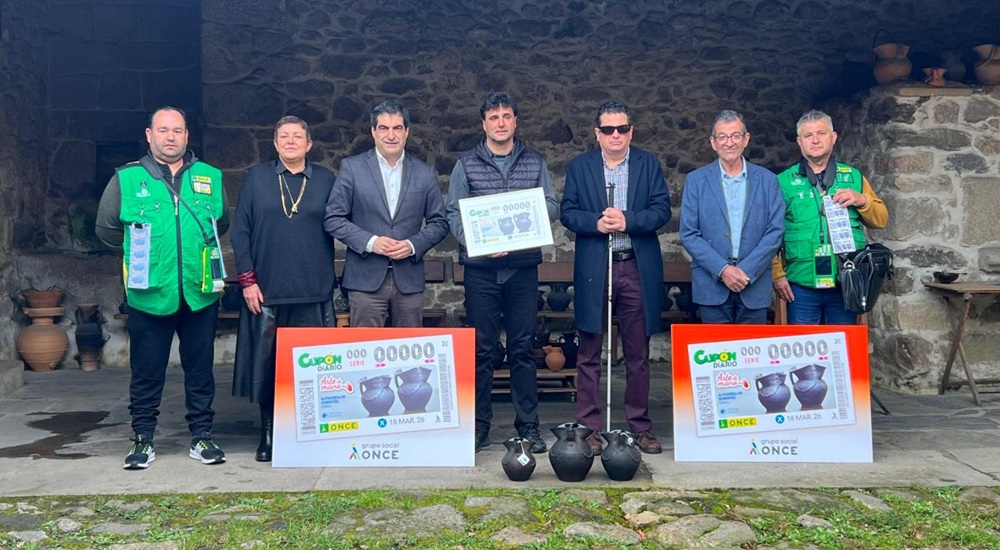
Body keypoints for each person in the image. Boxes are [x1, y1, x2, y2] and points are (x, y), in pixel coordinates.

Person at [96, 106, 229, 470]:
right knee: (146, 372)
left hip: (199, 291)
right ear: (149, 135)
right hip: (149, 292)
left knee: (200, 370)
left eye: (178, 131)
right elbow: (106, 230)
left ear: (187, 136)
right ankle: (143, 439)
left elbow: (222, 222)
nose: (171, 137)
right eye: (163, 130)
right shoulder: (126, 179)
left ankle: (202, 436)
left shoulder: (210, 176)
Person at [446, 92, 558, 454]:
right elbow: (453, 214)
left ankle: (529, 427)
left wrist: (524, 231)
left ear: (515, 121)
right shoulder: (466, 165)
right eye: (493, 117)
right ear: (483, 124)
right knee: (482, 350)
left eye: (506, 116)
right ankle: (479, 427)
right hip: (481, 271)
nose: (500, 122)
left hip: (522, 269)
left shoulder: (534, 161)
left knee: (524, 349)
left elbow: (552, 205)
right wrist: (478, 243)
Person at [560, 100, 672, 455]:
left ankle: (639, 427)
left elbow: (661, 211)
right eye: (608, 129)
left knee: (638, 351)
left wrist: (627, 221)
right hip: (598, 264)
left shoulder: (647, 163)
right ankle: (589, 428)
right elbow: (567, 213)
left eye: (622, 128)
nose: (615, 135)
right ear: (597, 134)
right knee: (590, 348)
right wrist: (595, 222)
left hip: (635, 264)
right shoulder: (580, 167)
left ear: (630, 131)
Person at [231, 115, 337, 462]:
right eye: (284, 137)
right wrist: (247, 280)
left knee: (314, 369)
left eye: (298, 136)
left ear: (309, 144)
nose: (291, 141)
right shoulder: (257, 179)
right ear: (275, 144)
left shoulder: (325, 180)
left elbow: (343, 223)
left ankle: (309, 435)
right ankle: (269, 434)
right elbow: (241, 232)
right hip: (267, 291)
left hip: (313, 289)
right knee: (269, 367)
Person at [324, 100, 448, 327]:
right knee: (365, 352)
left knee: (410, 354)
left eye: (397, 128)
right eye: (383, 128)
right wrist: (371, 242)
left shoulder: (424, 172)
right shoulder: (352, 168)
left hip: (408, 279)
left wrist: (412, 245)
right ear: (373, 131)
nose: (391, 135)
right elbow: (333, 218)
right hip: (365, 279)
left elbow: (439, 222)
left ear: (406, 131)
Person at [772, 110, 889, 324]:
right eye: (808, 136)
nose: (815, 140)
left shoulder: (853, 177)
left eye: (821, 133)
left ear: (833, 137)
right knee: (804, 351)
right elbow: (769, 234)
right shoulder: (782, 182)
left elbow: (880, 219)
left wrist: (861, 199)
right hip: (801, 283)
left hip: (846, 280)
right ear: (799, 142)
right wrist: (777, 275)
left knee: (843, 349)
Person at [679, 110, 785, 324]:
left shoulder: (768, 180)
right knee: (717, 355)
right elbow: (689, 234)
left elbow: (775, 231)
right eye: (722, 137)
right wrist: (723, 270)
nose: (729, 143)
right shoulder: (696, 181)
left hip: (753, 284)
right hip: (712, 284)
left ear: (746, 139)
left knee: (753, 355)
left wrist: (746, 270)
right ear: (713, 142)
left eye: (735, 135)